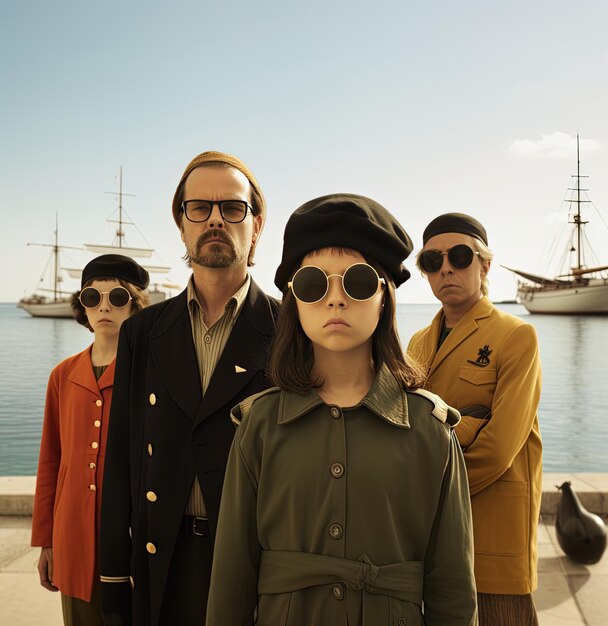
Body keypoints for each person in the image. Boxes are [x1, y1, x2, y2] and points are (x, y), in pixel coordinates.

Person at [206, 194, 477, 626]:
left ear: (385, 297)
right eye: (314, 284)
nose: (335, 299)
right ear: (294, 300)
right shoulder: (258, 426)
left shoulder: (431, 431)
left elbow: (454, 590)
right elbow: (231, 580)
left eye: (358, 282)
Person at [99, 152, 279, 626]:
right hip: (163, 558)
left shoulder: (289, 330)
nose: (215, 219)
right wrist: (114, 576)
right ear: (181, 224)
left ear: (256, 225)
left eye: (233, 208)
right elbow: (120, 456)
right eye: (199, 208)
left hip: (256, 562)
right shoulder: (142, 332)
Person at [407, 213, 542, 626]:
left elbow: (500, 448)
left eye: (460, 256)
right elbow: (408, 432)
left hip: (492, 534)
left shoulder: (515, 336)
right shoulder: (416, 343)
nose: (446, 268)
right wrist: (467, 423)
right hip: (429, 540)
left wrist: (428, 495)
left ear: (484, 265)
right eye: (432, 261)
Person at [31, 254, 150, 626]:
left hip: (133, 537)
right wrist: (46, 541)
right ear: (81, 306)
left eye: (116, 297)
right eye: (91, 298)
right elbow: (51, 460)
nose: (103, 307)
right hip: (71, 536)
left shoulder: (150, 376)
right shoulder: (62, 376)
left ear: (134, 305)